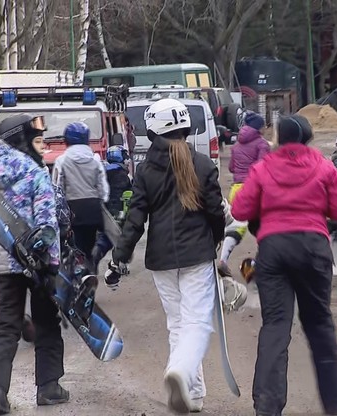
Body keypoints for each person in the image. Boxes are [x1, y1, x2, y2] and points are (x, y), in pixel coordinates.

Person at [231, 115, 337, 416]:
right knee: (319, 323)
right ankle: (336, 398)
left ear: (278, 138)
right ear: (307, 137)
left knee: (275, 326)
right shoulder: (323, 166)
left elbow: (240, 208)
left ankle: (267, 406)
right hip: (313, 248)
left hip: (274, 250)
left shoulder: (263, 168)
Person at [111, 99, 225, 414]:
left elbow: (135, 220)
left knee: (177, 323)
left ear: (152, 130)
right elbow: (216, 212)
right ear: (186, 126)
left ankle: (195, 394)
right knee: (197, 323)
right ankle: (180, 371)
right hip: (198, 256)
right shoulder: (203, 164)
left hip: (161, 259)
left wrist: (119, 256)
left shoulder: (146, 170)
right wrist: (217, 241)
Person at [0, 114, 68, 415]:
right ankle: (49, 387)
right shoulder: (35, 172)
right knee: (46, 323)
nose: (41, 146)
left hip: (6, 265)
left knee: (7, 326)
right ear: (20, 140)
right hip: (40, 264)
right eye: (36, 139)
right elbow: (46, 221)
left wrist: (1, 258)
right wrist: (49, 259)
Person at [52, 122, 109, 272]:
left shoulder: (62, 160)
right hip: (93, 209)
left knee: (74, 248)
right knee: (91, 245)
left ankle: (76, 278)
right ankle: (91, 271)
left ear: (67, 140)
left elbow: (56, 188)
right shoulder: (95, 159)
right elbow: (103, 189)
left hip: (72, 211)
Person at [220, 111, 270, 276]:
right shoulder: (262, 144)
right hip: (254, 189)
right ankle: (261, 265)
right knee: (263, 227)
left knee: (237, 226)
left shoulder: (237, 145)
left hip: (236, 189)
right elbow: (262, 167)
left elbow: (231, 168)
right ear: (258, 127)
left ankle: (223, 260)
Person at [93, 145, 133, 288]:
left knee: (104, 240)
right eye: (125, 156)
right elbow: (121, 196)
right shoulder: (120, 174)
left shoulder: (103, 170)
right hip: (115, 214)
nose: (127, 159)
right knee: (112, 241)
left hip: (100, 211)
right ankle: (113, 269)